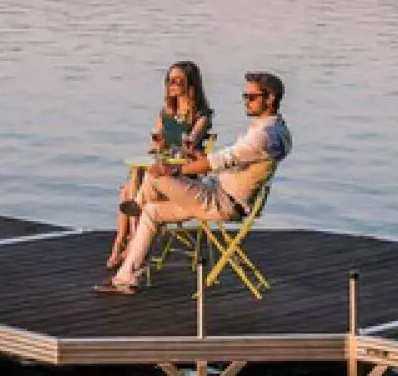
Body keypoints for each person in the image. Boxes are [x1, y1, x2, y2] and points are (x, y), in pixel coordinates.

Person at [96, 71, 291, 294]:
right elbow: (231, 162)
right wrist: (197, 160)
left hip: (222, 201)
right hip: (217, 191)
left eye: (252, 97)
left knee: (155, 175)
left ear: (270, 99)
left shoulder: (264, 136)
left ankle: (135, 209)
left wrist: (177, 168)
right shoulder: (277, 129)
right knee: (153, 211)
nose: (246, 101)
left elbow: (220, 160)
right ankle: (126, 279)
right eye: (245, 96)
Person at [106, 62, 214, 269]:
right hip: (161, 171)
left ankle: (129, 248)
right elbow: (156, 146)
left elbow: (188, 146)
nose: (171, 85)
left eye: (177, 81)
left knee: (131, 191)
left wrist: (175, 149)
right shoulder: (166, 112)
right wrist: (158, 146)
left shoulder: (201, 116)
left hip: (182, 176)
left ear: (190, 84)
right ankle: (123, 244)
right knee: (128, 190)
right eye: (169, 81)